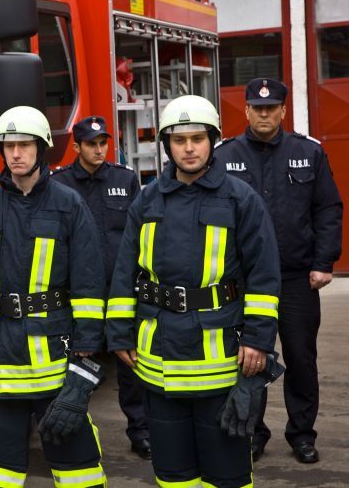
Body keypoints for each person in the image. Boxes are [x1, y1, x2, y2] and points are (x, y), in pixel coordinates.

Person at [106, 95, 281, 487]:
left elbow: (264, 275)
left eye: (198, 138)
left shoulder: (240, 199)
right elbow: (125, 271)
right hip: (158, 361)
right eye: (179, 139)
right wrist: (118, 331)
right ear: (166, 143)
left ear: (213, 140)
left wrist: (257, 339)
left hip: (220, 360)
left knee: (226, 473)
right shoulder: (146, 200)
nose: (189, 148)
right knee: (173, 473)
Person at [0, 106, 108, 488]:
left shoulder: (68, 205)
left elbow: (88, 283)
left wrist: (86, 353)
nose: (16, 153)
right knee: (0, 471)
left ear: (41, 149)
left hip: (54, 363)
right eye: (8, 145)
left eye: (24, 145)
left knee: (78, 469)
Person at [213, 78, 343, 463]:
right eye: (257, 107)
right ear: (247, 111)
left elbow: (328, 209)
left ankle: (302, 434)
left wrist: (324, 262)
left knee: (301, 358)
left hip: (297, 277)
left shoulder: (309, 153)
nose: (264, 113)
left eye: (271, 108)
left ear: (283, 111)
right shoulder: (224, 156)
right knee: (250, 357)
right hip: (245, 281)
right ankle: (253, 433)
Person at [51, 116, 151, 460]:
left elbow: (139, 235)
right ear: (77, 147)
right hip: (77, 298)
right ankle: (72, 433)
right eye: (91, 144)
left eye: (103, 143)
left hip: (120, 291)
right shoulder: (60, 184)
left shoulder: (125, 179)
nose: (98, 149)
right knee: (78, 369)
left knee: (130, 367)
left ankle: (141, 433)